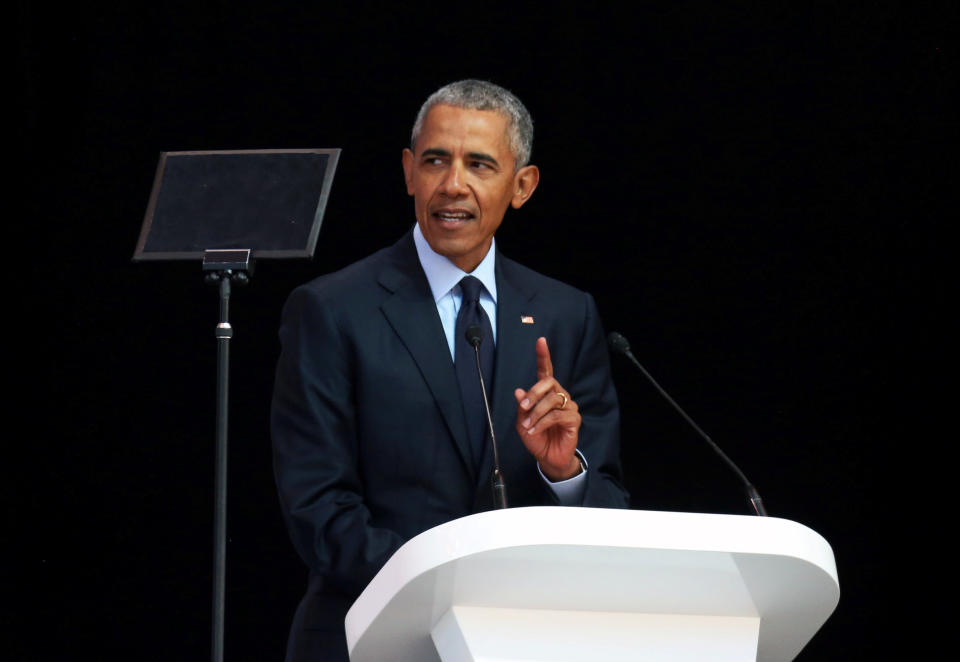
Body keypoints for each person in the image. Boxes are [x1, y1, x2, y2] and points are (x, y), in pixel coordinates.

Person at [271, 79, 630, 662]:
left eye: (480, 164)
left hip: (527, 641)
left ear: (522, 186)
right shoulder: (333, 310)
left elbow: (610, 505)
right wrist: (453, 591)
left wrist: (566, 473)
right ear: (409, 172)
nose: (452, 184)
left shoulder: (567, 314)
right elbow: (320, 511)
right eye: (436, 160)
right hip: (371, 637)